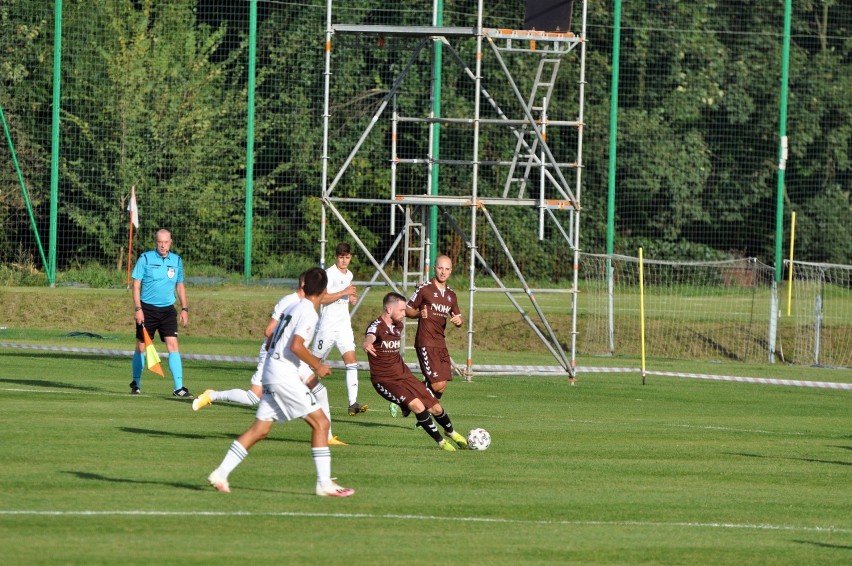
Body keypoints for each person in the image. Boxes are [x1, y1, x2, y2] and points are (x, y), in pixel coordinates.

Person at [206, 267, 354, 497]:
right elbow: (296, 345)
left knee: (260, 430)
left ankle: (220, 473)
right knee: (321, 423)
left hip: (271, 372)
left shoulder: (293, 306)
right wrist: (318, 365)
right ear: (325, 290)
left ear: (304, 286)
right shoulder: (308, 313)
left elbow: (269, 342)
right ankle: (324, 484)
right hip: (284, 376)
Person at [192, 274, 346, 445]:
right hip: (274, 356)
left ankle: (328, 436)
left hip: (291, 356)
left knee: (320, 390)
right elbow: (269, 331)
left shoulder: (307, 304)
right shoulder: (290, 301)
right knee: (253, 398)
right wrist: (291, 345)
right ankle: (213, 395)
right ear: (304, 284)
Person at [363, 292, 468, 451]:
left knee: (436, 407)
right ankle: (441, 442)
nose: (405, 314)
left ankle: (452, 433)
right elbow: (370, 335)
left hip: (404, 376)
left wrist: (420, 313)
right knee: (418, 406)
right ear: (389, 309)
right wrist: (367, 342)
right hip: (385, 380)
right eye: (402, 310)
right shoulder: (376, 326)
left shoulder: (398, 325)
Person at [393, 254, 462, 416]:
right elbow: (407, 309)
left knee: (442, 384)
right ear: (434, 269)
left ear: (451, 271)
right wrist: (418, 314)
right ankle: (414, 405)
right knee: (437, 385)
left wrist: (459, 321)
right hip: (426, 341)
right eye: (440, 268)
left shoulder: (451, 295)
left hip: (440, 343)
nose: (443, 272)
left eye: (446, 269)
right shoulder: (425, 289)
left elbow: (457, 316)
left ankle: (410, 405)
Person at [130, 228, 192, 398]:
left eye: (166, 242)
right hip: (147, 310)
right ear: (155, 242)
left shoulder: (177, 260)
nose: (163, 246)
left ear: (170, 242)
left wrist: (184, 309)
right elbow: (136, 285)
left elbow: (180, 285)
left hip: (167, 311)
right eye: (160, 242)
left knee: (173, 346)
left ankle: (179, 387)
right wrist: (138, 309)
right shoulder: (145, 258)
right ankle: (136, 383)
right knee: (141, 347)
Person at [313, 242, 368, 416]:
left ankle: (353, 403)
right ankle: (296, 394)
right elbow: (321, 299)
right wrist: (344, 292)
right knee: (313, 364)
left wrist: (350, 298)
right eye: (341, 257)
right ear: (336, 257)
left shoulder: (349, 274)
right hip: (327, 327)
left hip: (344, 326)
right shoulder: (328, 274)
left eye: (347, 257)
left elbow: (345, 296)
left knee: (352, 361)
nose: (344, 261)